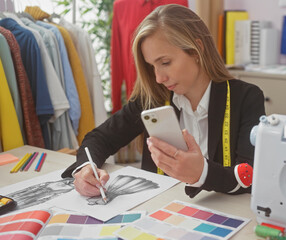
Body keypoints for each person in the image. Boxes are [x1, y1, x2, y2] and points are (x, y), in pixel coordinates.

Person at [61, 4, 265, 198]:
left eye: (165, 63)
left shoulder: (246, 98)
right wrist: (85, 168)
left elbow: (250, 176)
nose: (158, 78)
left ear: (196, 50)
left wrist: (202, 172)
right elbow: (99, 138)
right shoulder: (152, 98)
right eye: (151, 67)